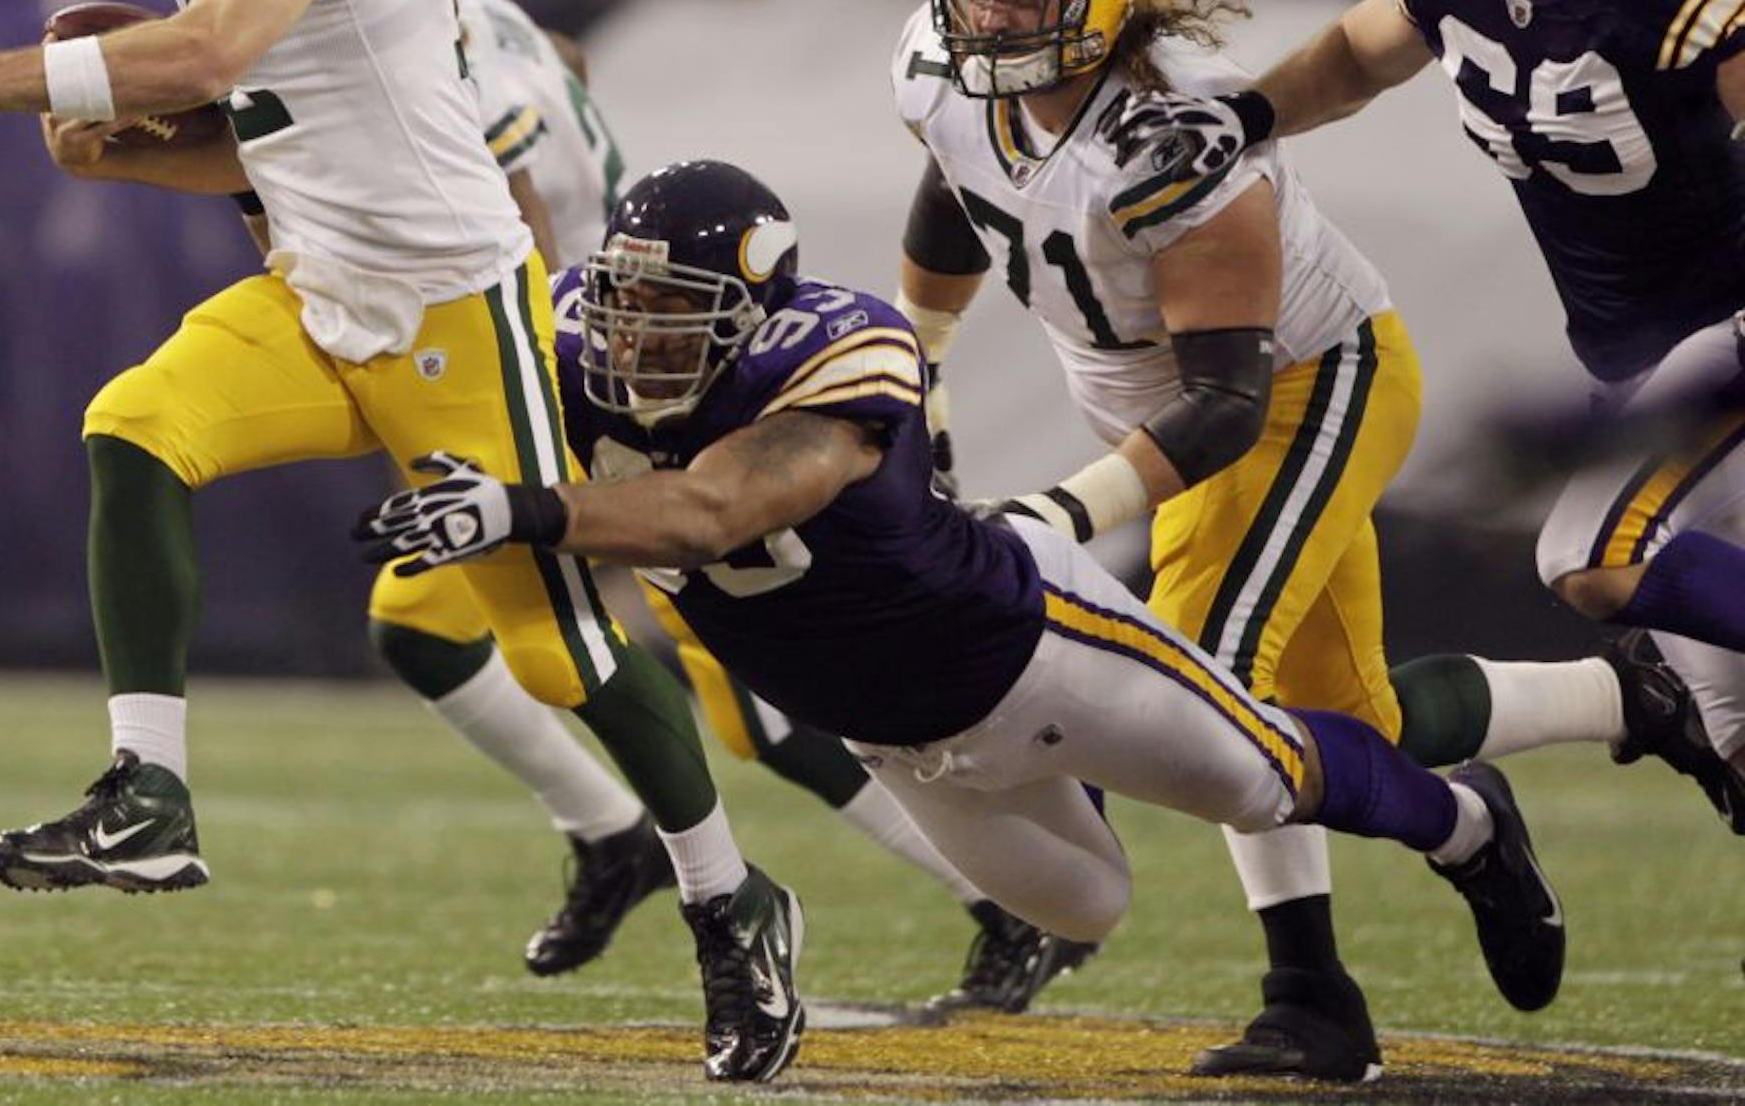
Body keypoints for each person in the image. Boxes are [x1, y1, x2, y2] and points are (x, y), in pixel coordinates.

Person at [0, 0, 801, 1085]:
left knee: (562, 647)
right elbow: (268, 135)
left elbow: (206, 54)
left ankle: (735, 905)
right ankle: (150, 792)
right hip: (319, 287)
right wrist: (123, 168)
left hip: (448, 304)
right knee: (137, 423)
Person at [354, 159, 1571, 1053]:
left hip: (1031, 648)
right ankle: (1154, 766)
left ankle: (1465, 828)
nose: (639, 332)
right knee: (1084, 903)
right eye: (630, 299)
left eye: (677, 309)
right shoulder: (569, 340)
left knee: (1264, 779)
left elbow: (710, 514)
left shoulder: (841, 350)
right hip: (898, 741)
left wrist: (521, 509)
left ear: (756, 309)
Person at [361, 0, 1089, 1011]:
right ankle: (615, 837)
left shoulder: (456, 83)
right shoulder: (499, 32)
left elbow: (500, 257)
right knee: (418, 618)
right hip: (616, 350)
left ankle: (1005, 902)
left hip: (622, 383)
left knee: (753, 710)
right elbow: (568, 62)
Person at [1101, 0, 1745, 835]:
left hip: (1720, 340)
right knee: (1737, 747)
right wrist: (1248, 112)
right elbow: (1360, 52)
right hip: (1631, 370)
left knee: (1590, 557)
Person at [887, 0, 1430, 1082]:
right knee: (1359, 726)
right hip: (1165, 415)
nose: (992, 21)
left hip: (1306, 382)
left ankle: (1310, 994)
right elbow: (956, 185)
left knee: (1195, 702)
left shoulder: (1178, 123)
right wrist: (917, 358)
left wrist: (1061, 514)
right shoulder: (942, 70)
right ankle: (1620, 707)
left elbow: (1228, 402)